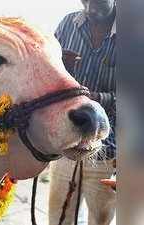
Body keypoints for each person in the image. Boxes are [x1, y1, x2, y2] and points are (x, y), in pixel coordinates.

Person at [48, 0, 116, 225]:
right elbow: (45, 75)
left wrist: (98, 99)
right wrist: (59, 68)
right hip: (65, 145)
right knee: (59, 218)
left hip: (108, 152)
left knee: (100, 220)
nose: (90, 3)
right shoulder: (68, 24)